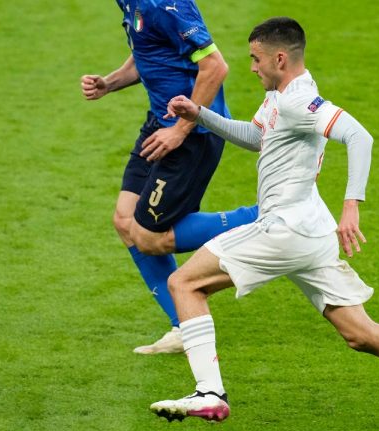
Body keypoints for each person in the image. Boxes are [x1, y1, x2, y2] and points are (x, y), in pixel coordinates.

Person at [147, 17, 379, 431]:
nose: (252, 67)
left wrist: (352, 205)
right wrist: (200, 114)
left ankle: (210, 392)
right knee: (360, 333)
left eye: (256, 59)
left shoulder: (299, 101)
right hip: (311, 231)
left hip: (286, 228)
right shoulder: (280, 95)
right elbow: (259, 137)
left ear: (280, 58)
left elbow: (359, 137)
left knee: (184, 284)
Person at [80, 1, 258, 354]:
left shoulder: (164, 4)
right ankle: (183, 327)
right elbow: (148, 49)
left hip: (192, 135)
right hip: (159, 123)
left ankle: (265, 217)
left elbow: (215, 66)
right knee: (125, 220)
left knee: (150, 237)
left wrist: (179, 130)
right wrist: (110, 83)